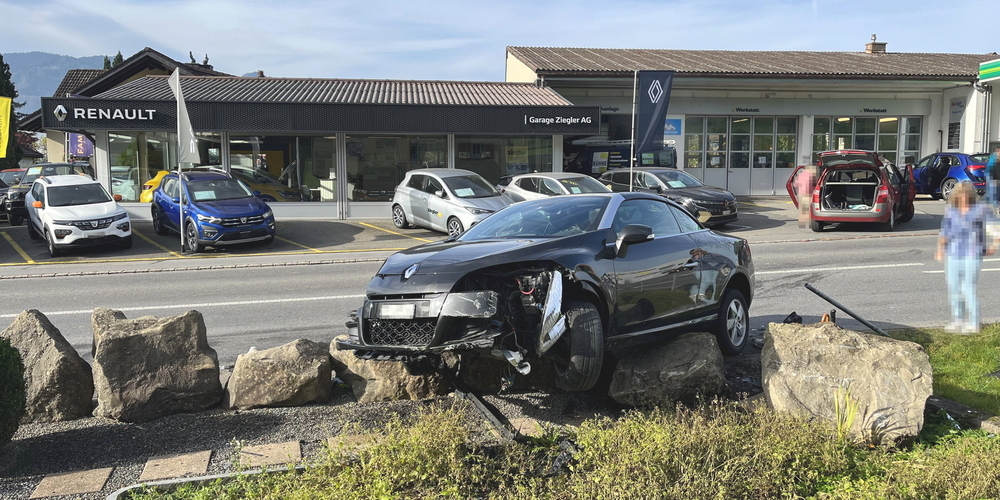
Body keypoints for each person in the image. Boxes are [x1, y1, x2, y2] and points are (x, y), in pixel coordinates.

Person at [935, 181, 997, 333]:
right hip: (953, 253)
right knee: (954, 288)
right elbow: (945, 231)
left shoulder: (981, 209)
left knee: (968, 288)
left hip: (973, 253)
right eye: (960, 195)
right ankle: (958, 320)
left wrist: (994, 245)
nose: (963, 198)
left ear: (971, 195)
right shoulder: (951, 210)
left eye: (966, 195)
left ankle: (974, 323)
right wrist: (940, 248)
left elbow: (994, 227)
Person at [795, 163, 819, 228]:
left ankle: (802, 224)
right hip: (808, 194)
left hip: (801, 194)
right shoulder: (811, 175)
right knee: (809, 210)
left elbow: (796, 184)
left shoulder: (801, 175)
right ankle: (808, 224)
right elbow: (811, 186)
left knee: (803, 210)